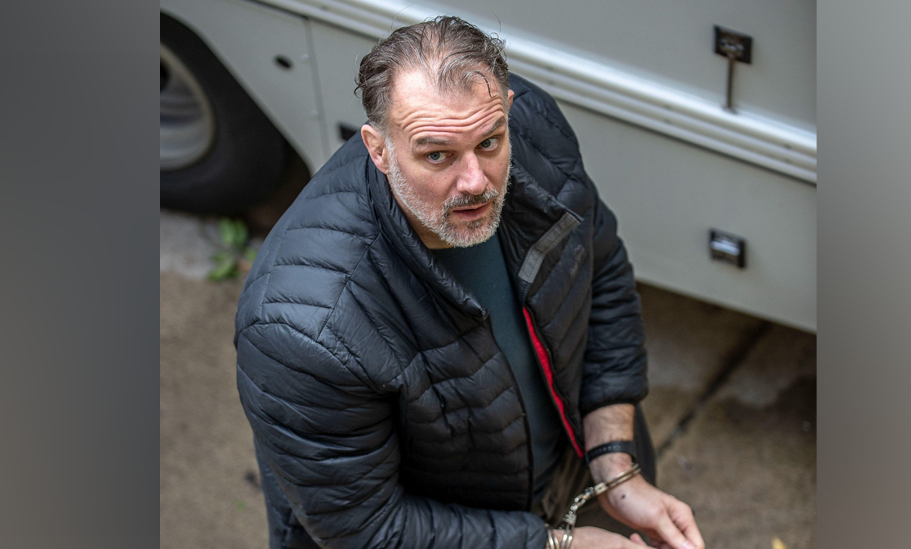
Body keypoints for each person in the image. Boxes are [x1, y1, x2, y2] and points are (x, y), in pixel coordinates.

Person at [235, 15, 704, 549]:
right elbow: (367, 529)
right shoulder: (301, 325)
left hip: (578, 468)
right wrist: (555, 545)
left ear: (505, 107)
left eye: (489, 142)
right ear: (378, 149)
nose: (476, 182)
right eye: (437, 155)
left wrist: (615, 466)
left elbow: (603, 276)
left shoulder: (532, 130)